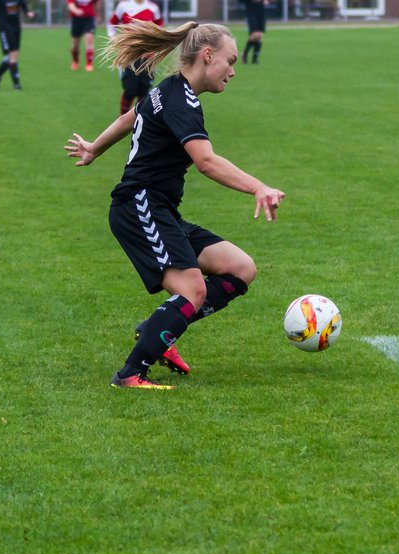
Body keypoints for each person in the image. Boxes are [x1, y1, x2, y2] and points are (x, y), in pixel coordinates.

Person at [65, 21, 285, 389]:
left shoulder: (169, 90)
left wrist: (93, 148)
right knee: (193, 291)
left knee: (240, 268)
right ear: (207, 55)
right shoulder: (181, 99)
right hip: (139, 207)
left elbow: (127, 118)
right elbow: (206, 162)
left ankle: (159, 330)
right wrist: (258, 187)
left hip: (160, 208)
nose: (233, 71)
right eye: (230, 61)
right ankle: (131, 373)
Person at [108, 0, 163, 114]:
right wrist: (113, 38)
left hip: (147, 55)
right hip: (129, 54)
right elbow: (111, 23)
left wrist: (157, 45)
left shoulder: (152, 8)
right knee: (130, 89)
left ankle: (139, 119)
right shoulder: (123, 6)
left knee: (144, 90)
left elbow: (159, 28)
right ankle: (122, 119)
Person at [238, 0, 273, 64]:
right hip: (251, 11)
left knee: (260, 35)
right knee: (254, 35)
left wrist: (265, 0)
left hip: (261, 11)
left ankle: (254, 59)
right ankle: (245, 53)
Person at [67, 0, 100, 72]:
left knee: (89, 39)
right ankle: (75, 61)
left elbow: (96, 3)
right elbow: (70, 4)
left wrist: (98, 15)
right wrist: (76, 10)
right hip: (76, 19)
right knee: (75, 45)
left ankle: (89, 64)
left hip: (89, 18)